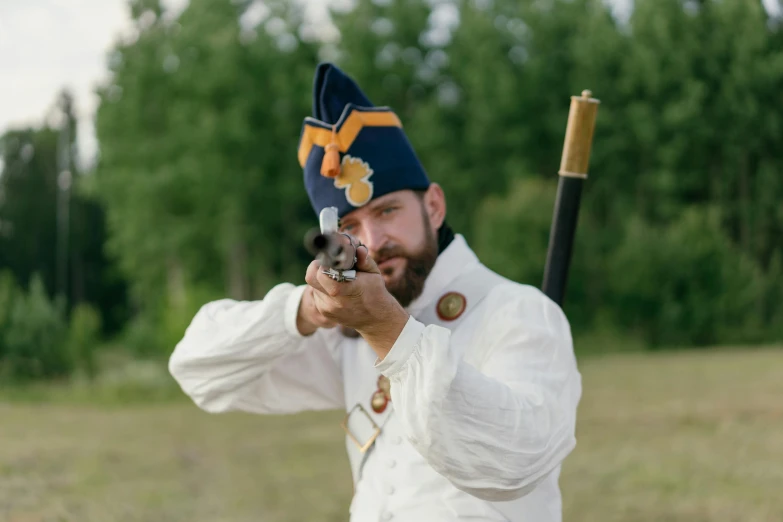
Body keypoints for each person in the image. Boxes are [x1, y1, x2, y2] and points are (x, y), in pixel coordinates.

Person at [169, 62, 582, 522]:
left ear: (434, 205)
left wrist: (388, 329)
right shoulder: (350, 331)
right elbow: (196, 368)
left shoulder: (520, 313)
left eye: (387, 211)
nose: (373, 240)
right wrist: (306, 310)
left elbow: (514, 466)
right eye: (350, 226)